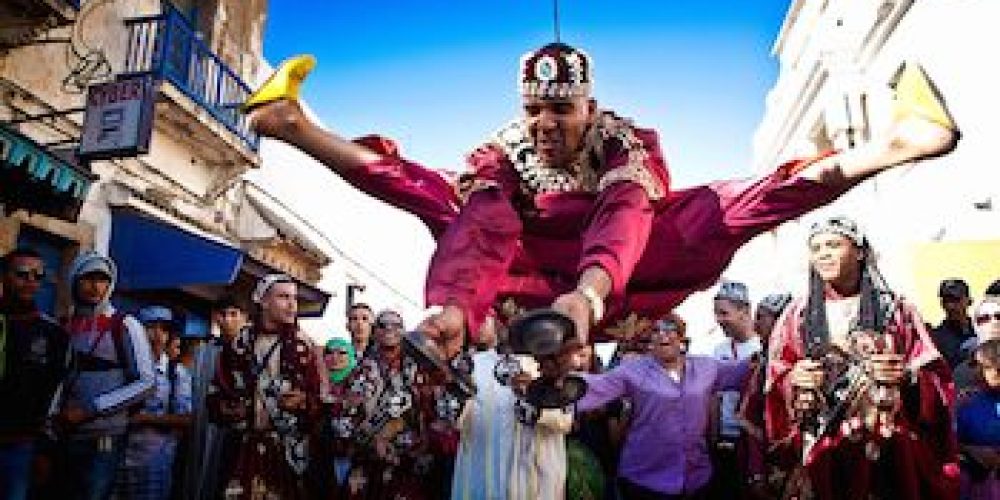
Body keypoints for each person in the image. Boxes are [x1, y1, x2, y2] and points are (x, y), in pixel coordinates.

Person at [244, 45, 960, 382]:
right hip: (522, 270)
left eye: (561, 110)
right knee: (436, 189)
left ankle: (896, 145)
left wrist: (588, 297)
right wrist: (456, 303)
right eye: (535, 111)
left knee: (734, 202)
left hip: (626, 266)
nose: (546, 125)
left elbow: (623, 212)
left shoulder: (627, 143)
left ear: (590, 106)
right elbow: (484, 220)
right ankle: (295, 125)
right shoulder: (498, 152)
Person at [765, 216, 959, 499]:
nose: (823, 254)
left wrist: (906, 376)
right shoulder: (797, 315)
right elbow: (774, 377)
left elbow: (937, 375)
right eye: (816, 248)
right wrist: (794, 379)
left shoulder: (896, 309)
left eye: (833, 245)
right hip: (824, 446)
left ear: (859, 251)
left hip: (888, 449)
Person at [576, 313, 750, 498]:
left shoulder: (705, 367)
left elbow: (741, 373)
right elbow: (595, 386)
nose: (662, 335)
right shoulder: (634, 370)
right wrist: (557, 382)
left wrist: (769, 351)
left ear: (681, 338)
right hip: (645, 479)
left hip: (696, 477)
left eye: (670, 329)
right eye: (656, 330)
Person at [207, 274, 325, 499]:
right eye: (283, 297)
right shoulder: (238, 345)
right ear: (263, 301)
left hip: (289, 452)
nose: (292, 305)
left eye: (294, 298)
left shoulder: (306, 347)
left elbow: (320, 401)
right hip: (243, 449)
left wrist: (303, 403)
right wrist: (230, 409)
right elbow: (216, 394)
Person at [55, 251, 155, 500]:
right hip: (64, 434)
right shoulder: (65, 325)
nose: (95, 286)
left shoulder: (125, 325)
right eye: (88, 278)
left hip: (104, 436)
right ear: (75, 281)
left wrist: (92, 408)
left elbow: (146, 381)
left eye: (102, 279)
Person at [0, 248, 71, 500]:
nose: (31, 282)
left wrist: (44, 450)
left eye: (38, 276)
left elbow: (56, 395)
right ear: (4, 276)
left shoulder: (54, 334)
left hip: (22, 445)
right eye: (22, 274)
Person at [115, 306, 192, 500]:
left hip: (155, 463)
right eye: (150, 327)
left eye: (164, 329)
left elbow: (186, 419)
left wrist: (145, 419)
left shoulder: (176, 373)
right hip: (117, 458)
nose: (157, 334)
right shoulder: (124, 367)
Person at [182, 295, 247, 500]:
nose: (227, 320)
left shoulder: (251, 351)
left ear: (244, 318)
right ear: (215, 318)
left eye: (233, 314)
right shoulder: (204, 352)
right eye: (222, 314)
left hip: (237, 430)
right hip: (203, 426)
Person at [450, 316, 518, 500]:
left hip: (513, 458)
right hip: (475, 454)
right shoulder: (472, 363)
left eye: (482, 319)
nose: (476, 326)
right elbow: (455, 416)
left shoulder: (532, 364)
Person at [736, 292, 792, 499]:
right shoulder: (760, 362)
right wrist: (756, 472)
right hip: (764, 459)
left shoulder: (795, 363)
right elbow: (753, 422)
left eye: (761, 317)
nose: (755, 324)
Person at [708, 280, 761, 497]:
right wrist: (712, 438)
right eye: (716, 314)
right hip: (725, 440)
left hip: (752, 439)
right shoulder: (719, 349)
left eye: (723, 313)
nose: (719, 320)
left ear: (744, 311)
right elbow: (714, 398)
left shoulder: (762, 346)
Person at [957, 296, 1000, 499]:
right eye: (984, 318)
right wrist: (972, 451)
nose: (993, 322)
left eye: (998, 316)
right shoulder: (961, 375)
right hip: (973, 480)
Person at [317, 336, 364, 499]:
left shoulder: (361, 382)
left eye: (342, 353)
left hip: (355, 455)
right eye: (329, 353)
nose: (335, 358)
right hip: (322, 456)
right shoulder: (316, 382)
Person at [931, 278, 976, 369]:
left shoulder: (982, 327)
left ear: (968, 300)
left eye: (956, 300)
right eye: (946, 301)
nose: (950, 306)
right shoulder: (936, 338)